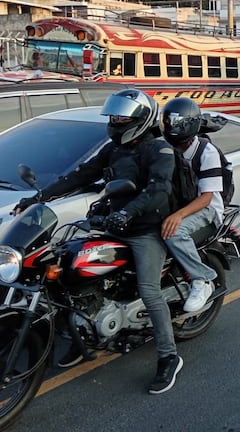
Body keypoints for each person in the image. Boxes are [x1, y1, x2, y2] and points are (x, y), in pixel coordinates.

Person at [13, 88, 183, 394]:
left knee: (149, 289)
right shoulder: (114, 149)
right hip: (113, 224)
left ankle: (168, 356)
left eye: (122, 117)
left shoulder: (159, 150)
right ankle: (86, 334)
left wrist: (129, 213)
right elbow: (79, 175)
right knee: (68, 268)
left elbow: (158, 190)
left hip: (146, 229)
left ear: (141, 119)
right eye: (113, 116)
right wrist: (39, 196)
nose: (115, 122)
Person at [160, 97, 220, 313]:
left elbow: (206, 198)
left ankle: (201, 279)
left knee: (173, 233)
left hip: (207, 209)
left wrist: (178, 216)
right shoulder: (166, 147)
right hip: (179, 205)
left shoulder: (206, 152)